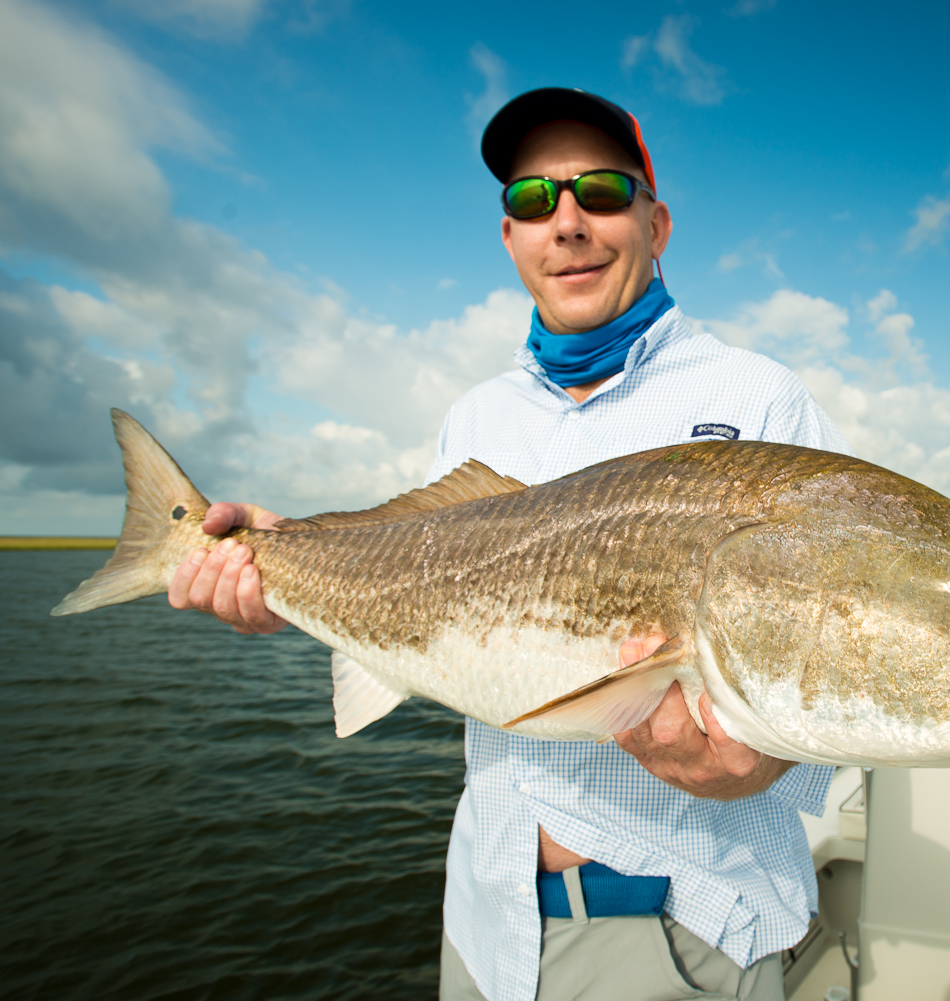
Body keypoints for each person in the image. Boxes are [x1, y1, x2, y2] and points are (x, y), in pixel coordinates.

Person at [171, 88, 852, 1001]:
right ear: (509, 238)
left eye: (602, 193)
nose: (566, 223)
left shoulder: (762, 396)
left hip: (683, 929)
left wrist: (764, 758)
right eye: (534, 200)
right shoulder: (477, 414)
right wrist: (280, 558)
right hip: (485, 929)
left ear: (657, 220)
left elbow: (830, 644)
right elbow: (413, 575)